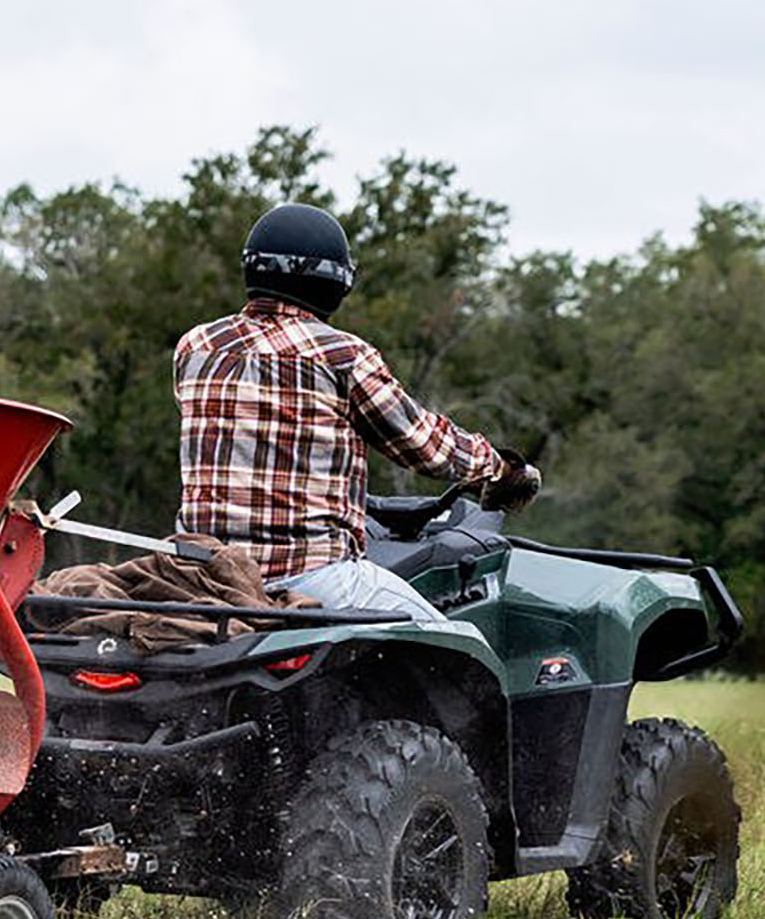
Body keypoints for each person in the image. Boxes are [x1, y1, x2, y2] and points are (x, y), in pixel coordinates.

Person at [173, 201, 539, 625]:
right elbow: (422, 445)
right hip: (312, 575)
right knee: (453, 647)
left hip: (203, 579)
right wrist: (496, 467)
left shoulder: (195, 347)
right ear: (334, 282)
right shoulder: (343, 356)